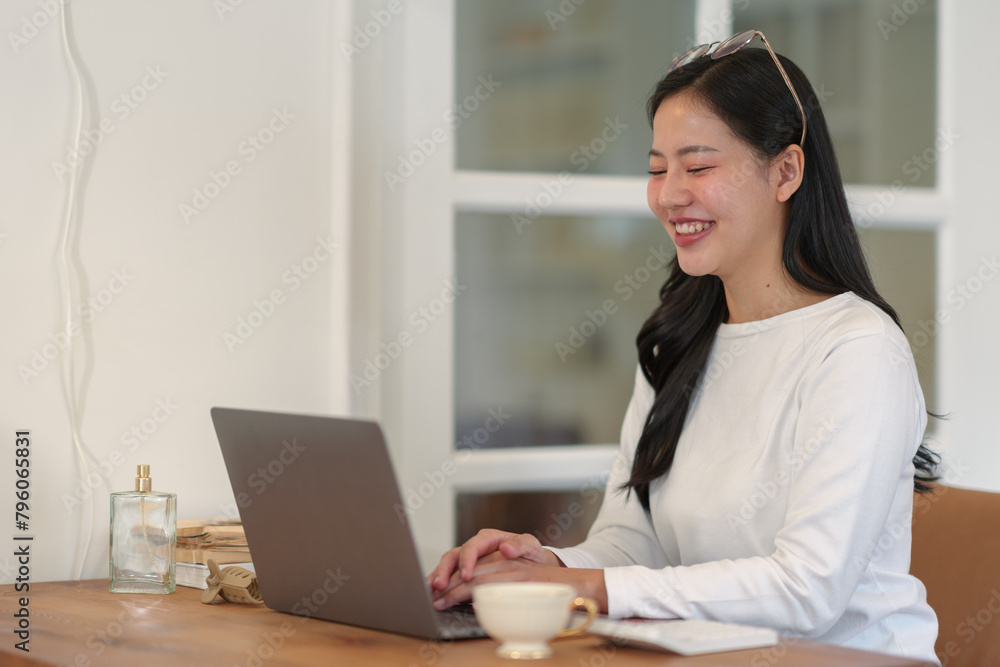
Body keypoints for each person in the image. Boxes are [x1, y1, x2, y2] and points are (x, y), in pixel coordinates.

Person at [428, 30, 939, 663]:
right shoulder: (678, 340)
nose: (669, 194)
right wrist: (545, 564)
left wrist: (588, 587)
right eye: (656, 169)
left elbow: (807, 589)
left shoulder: (858, 350)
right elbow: (632, 545)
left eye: (698, 168)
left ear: (786, 171)